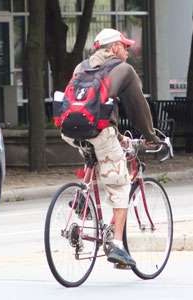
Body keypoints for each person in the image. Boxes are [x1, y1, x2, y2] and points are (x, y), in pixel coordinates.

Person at [62, 28, 158, 267]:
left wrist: (117, 135)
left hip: (70, 131)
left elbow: (92, 106)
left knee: (95, 154)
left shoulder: (81, 67)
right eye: (124, 46)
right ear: (113, 48)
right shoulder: (123, 69)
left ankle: (81, 197)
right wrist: (150, 136)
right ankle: (117, 246)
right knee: (120, 185)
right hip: (99, 132)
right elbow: (137, 108)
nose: (128, 50)